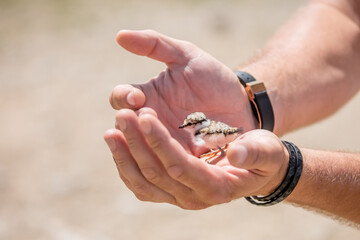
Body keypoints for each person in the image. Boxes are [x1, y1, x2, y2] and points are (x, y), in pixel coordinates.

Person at [104, 0, 360, 224]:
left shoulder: (207, 132)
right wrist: (248, 100)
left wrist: (288, 170)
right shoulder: (204, 130)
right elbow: (347, 14)